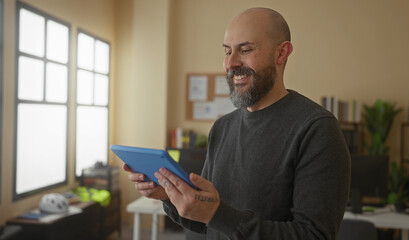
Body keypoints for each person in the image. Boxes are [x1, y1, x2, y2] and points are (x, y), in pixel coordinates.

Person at [125, 7, 350, 240]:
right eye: (227, 51)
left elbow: (314, 236)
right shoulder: (222, 128)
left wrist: (218, 214)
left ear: (281, 53)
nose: (231, 63)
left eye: (245, 49)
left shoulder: (317, 129)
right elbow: (209, 223)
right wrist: (169, 196)